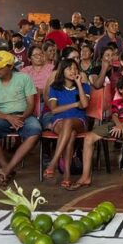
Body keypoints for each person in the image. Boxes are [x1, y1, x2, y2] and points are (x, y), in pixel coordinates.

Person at [0, 50, 41, 187]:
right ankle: (7, 167)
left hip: (23, 114)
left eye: (0, 67)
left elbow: (31, 103)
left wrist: (22, 117)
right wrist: (9, 118)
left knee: (36, 130)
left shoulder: (24, 78)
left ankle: (6, 170)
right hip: (2, 116)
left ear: (10, 67)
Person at [43, 58, 90, 188]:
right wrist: (75, 104)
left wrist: (79, 84)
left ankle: (53, 163)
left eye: (75, 68)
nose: (73, 71)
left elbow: (85, 104)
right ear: (62, 71)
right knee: (71, 134)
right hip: (59, 121)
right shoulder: (55, 88)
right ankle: (67, 175)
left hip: (79, 121)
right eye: (69, 68)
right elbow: (54, 109)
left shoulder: (85, 86)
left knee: (69, 124)